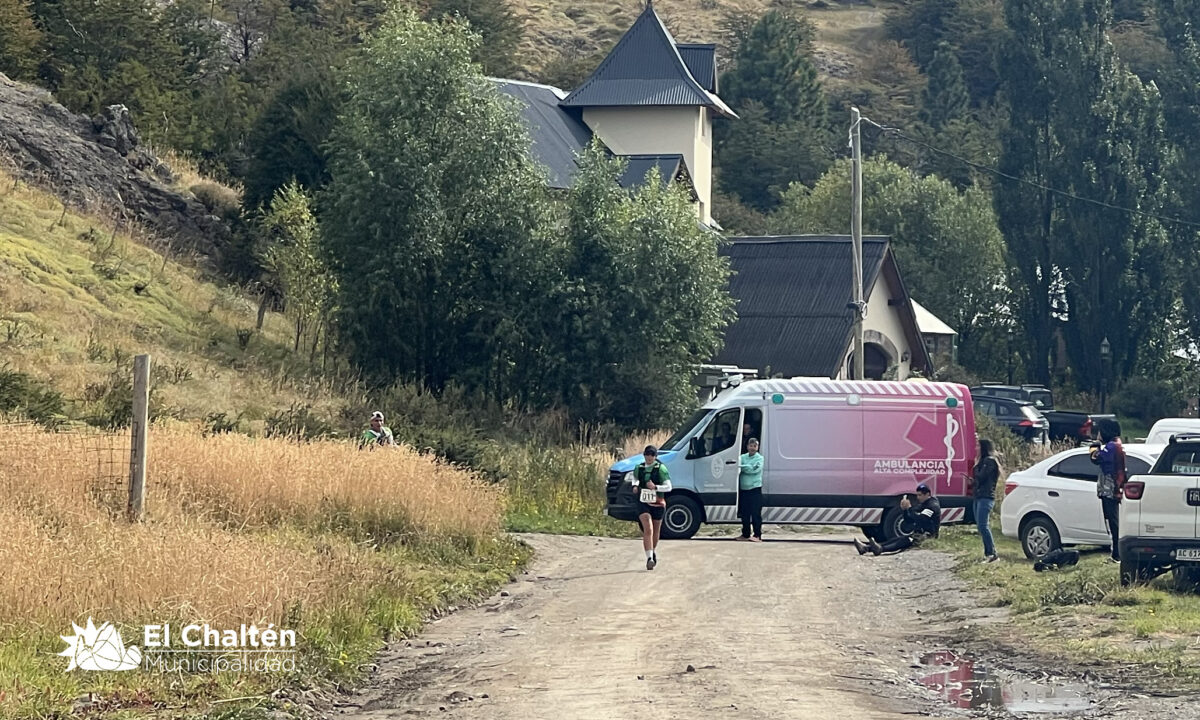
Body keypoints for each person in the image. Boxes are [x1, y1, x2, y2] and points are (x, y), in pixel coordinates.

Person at [853, 483, 941, 555]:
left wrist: (909, 509)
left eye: (920, 495)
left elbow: (921, 519)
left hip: (928, 537)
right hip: (918, 534)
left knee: (904, 541)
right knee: (896, 539)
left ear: (927, 494)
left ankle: (880, 549)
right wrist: (905, 510)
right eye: (917, 495)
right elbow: (909, 521)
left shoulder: (932, 506)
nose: (918, 497)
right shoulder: (923, 504)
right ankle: (866, 548)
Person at [1091, 421, 1127, 562]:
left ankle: (1116, 554)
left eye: (1100, 432)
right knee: (1112, 521)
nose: (1099, 435)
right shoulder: (1117, 444)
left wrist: (1094, 445)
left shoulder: (1112, 446)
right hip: (1113, 487)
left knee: (1112, 521)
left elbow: (1096, 457)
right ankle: (1115, 552)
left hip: (1110, 488)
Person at [631, 445, 671, 570]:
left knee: (656, 530)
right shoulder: (639, 468)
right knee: (648, 528)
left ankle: (652, 551)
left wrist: (656, 487)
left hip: (658, 503)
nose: (649, 457)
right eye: (647, 454)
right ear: (644, 455)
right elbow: (635, 478)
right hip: (643, 502)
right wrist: (635, 485)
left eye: (652, 455)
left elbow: (669, 487)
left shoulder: (661, 469)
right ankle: (649, 558)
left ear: (655, 456)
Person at [971, 439, 1001, 563]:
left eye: (978, 446)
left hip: (986, 496)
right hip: (978, 496)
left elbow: (981, 476)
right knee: (980, 526)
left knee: (983, 526)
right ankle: (988, 552)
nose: (976, 448)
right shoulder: (983, 461)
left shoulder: (989, 461)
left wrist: (975, 466)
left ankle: (992, 554)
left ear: (984, 448)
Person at [738, 438, 765, 542]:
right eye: (751, 446)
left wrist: (743, 468)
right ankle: (745, 534)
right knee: (745, 513)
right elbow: (737, 465)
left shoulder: (760, 458)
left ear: (757, 447)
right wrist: (747, 466)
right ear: (747, 446)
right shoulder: (742, 457)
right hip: (744, 489)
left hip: (755, 489)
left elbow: (755, 470)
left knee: (755, 513)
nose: (752, 448)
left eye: (754, 446)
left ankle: (757, 535)